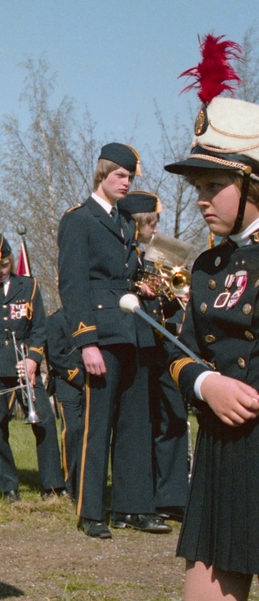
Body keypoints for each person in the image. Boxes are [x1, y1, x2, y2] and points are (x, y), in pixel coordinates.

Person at [157, 34, 259, 601]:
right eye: (195, 186)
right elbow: (179, 348)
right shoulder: (207, 267)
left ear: (251, 182)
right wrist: (206, 381)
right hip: (226, 446)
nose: (198, 200)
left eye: (211, 185)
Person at [58, 142, 169, 538]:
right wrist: (86, 341)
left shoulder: (125, 222)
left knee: (135, 423)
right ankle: (91, 512)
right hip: (102, 335)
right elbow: (73, 285)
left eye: (131, 177)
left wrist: (147, 286)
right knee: (97, 424)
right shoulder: (79, 220)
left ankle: (132, 506)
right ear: (102, 173)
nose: (127, 183)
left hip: (132, 330)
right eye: (121, 176)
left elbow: (128, 275)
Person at [0, 234, 65, 501]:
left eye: (5, 265)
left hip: (25, 365)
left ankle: (53, 485)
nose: (0, 271)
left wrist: (33, 359)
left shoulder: (29, 287)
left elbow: (40, 327)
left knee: (43, 421)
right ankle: (6, 485)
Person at [119, 190, 191, 523]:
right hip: (141, 345)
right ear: (140, 223)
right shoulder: (126, 258)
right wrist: (138, 288)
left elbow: (171, 304)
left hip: (166, 345)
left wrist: (180, 294)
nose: (157, 226)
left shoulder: (159, 258)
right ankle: (144, 497)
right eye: (153, 221)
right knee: (145, 421)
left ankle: (173, 496)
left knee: (174, 415)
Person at [45, 307, 86, 499]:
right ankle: (71, 484)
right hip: (68, 382)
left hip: (93, 381)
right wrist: (78, 377)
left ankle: (87, 481)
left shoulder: (90, 316)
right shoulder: (56, 319)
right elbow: (55, 355)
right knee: (73, 431)